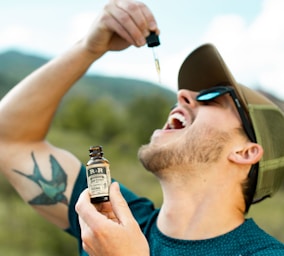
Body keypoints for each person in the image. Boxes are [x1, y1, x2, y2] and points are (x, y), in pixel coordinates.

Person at [0, 0, 283, 255]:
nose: (183, 94)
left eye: (214, 97)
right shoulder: (109, 220)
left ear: (246, 152)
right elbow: (10, 139)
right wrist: (89, 48)